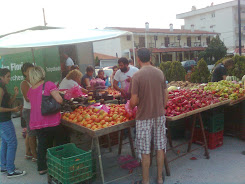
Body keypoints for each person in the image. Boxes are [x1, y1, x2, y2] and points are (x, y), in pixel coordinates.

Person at [130, 48, 168, 184]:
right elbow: (166, 96)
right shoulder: (159, 73)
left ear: (138, 59)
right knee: (160, 147)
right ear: (150, 58)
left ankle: (145, 181)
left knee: (145, 150)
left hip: (144, 117)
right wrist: (160, 108)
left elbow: (134, 101)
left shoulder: (137, 76)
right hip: (159, 115)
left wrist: (131, 105)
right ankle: (159, 178)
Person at [27, 66, 66, 175]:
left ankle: (42, 168)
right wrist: (62, 101)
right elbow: (59, 100)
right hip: (51, 120)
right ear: (41, 73)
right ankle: (60, 163)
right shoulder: (48, 84)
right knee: (61, 140)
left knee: (42, 144)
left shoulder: (31, 90)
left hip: (36, 121)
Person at [0, 68, 26, 178]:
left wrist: (15, 95)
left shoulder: (3, 88)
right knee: (12, 142)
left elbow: (7, 104)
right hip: (3, 120)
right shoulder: (0, 89)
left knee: (5, 142)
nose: (9, 79)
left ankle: (3, 166)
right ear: (1, 77)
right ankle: (10, 170)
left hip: (4, 120)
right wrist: (13, 110)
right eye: (8, 76)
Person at [20, 63, 37, 162]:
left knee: (30, 133)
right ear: (24, 72)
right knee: (32, 134)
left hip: (34, 110)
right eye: (29, 71)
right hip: (29, 111)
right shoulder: (24, 83)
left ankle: (28, 153)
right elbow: (27, 98)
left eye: (32, 70)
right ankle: (35, 156)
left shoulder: (33, 81)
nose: (31, 72)